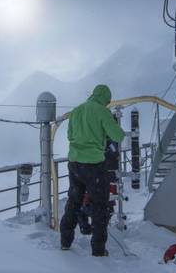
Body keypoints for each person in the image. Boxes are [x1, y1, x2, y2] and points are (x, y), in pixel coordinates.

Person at [60, 84, 125, 257]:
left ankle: (65, 241)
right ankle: (98, 250)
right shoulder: (102, 111)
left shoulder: (77, 110)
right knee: (99, 206)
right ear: (105, 99)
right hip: (94, 165)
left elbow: (70, 136)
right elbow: (118, 135)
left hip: (74, 163)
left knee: (74, 201)